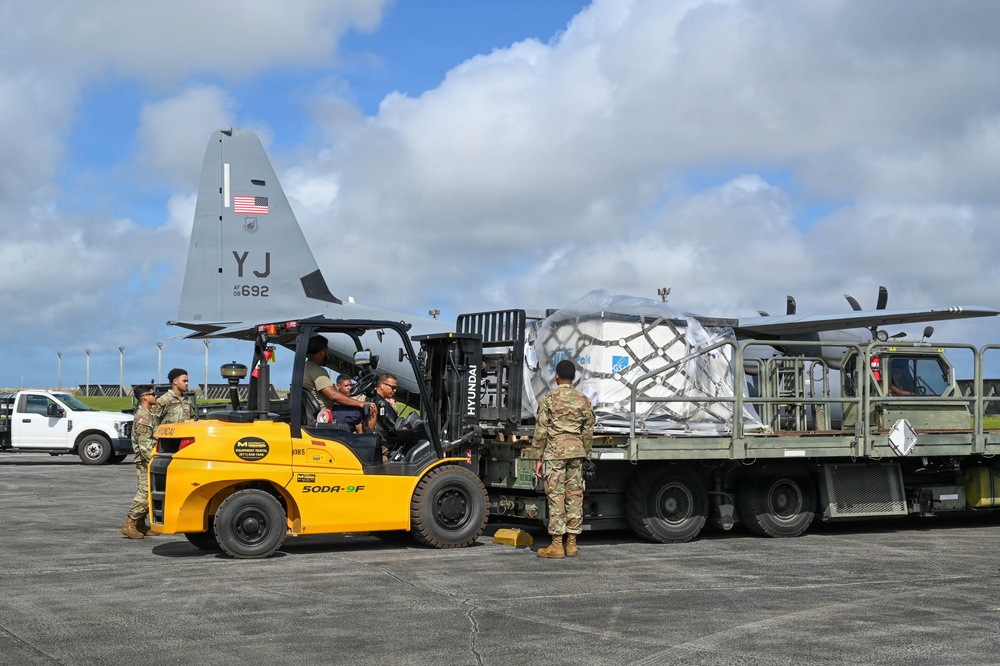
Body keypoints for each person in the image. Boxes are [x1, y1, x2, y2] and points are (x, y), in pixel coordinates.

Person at [533, 359, 596, 559]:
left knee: (556, 497)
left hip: (555, 453)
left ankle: (556, 545)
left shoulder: (549, 399)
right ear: (574, 378)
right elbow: (588, 431)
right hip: (576, 453)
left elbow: (541, 430)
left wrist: (538, 457)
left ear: (557, 376)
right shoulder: (583, 400)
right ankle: (572, 544)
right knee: (575, 497)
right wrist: (586, 453)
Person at [302, 335, 374, 423]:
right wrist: (360, 403)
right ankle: (368, 436)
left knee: (355, 410)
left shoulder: (305, 367)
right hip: (327, 412)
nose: (327, 354)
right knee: (366, 411)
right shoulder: (317, 371)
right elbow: (333, 395)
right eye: (326, 351)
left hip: (319, 411)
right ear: (322, 352)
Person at [121, 386, 159, 539]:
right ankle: (129, 523)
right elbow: (145, 446)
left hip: (149, 461)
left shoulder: (148, 414)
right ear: (144, 397)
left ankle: (140, 524)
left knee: (149, 492)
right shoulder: (143, 417)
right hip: (146, 462)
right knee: (145, 492)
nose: (155, 396)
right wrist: (155, 462)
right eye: (152, 394)